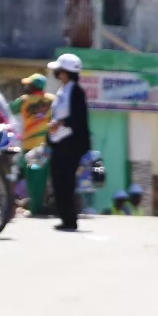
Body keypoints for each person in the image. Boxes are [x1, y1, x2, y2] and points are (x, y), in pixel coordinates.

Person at [46, 53, 92, 230]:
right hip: (59, 142)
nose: (57, 73)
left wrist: (61, 123)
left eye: (59, 70)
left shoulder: (76, 91)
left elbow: (79, 118)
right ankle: (65, 218)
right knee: (58, 180)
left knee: (66, 182)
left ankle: (70, 220)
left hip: (71, 143)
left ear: (66, 72)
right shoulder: (62, 90)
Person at [11, 74, 55, 216]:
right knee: (41, 178)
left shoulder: (24, 100)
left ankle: (36, 208)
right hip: (46, 145)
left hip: (30, 145)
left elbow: (10, 109)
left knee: (33, 178)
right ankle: (39, 205)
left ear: (33, 86)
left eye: (28, 85)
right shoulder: (52, 99)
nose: (25, 87)